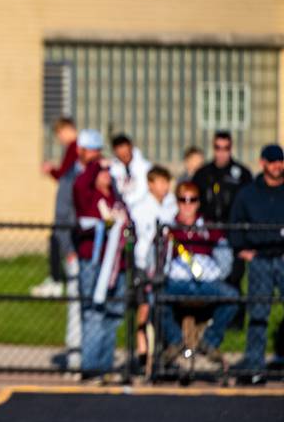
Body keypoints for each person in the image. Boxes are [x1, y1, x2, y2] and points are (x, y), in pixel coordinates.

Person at [160, 182, 237, 366]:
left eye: (192, 200)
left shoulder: (209, 228)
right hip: (177, 283)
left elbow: (224, 254)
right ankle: (175, 341)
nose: (188, 205)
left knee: (233, 297)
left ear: (198, 203)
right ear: (177, 202)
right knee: (154, 297)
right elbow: (159, 259)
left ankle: (209, 342)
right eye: (183, 200)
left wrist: (219, 272)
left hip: (206, 283)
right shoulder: (168, 228)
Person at [73, 129, 127, 380]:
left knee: (113, 315)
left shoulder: (115, 199)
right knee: (94, 313)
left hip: (117, 265)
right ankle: (90, 367)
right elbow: (81, 184)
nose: (106, 174)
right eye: (103, 172)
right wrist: (96, 165)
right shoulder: (88, 194)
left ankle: (105, 365)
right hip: (93, 262)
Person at [230, 144, 284, 385]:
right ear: (263, 163)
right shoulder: (249, 193)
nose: (277, 166)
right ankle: (254, 363)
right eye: (272, 161)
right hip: (260, 258)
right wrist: (243, 250)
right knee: (259, 312)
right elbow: (235, 223)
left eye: (280, 161)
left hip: (282, 257)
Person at [192, 131, 252, 328]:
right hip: (209, 236)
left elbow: (247, 206)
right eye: (218, 148)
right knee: (209, 279)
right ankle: (208, 320)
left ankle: (235, 323)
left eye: (225, 148)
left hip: (233, 235)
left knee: (234, 278)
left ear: (231, 148)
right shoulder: (203, 174)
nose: (221, 153)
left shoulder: (241, 174)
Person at [130, 165, 177, 367]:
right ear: (150, 184)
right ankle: (143, 355)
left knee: (161, 311)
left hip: (163, 267)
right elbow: (142, 241)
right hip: (145, 266)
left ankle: (161, 355)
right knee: (144, 309)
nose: (165, 187)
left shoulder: (169, 207)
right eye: (160, 182)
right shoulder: (141, 208)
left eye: (167, 182)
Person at [34, 116, 78, 298]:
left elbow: (63, 175)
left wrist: (51, 170)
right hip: (68, 206)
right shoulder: (73, 149)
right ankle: (57, 278)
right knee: (56, 238)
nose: (60, 138)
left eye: (60, 133)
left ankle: (58, 280)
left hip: (68, 209)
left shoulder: (75, 148)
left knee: (61, 239)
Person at [109, 133, 151, 212]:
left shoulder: (145, 167)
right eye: (121, 155)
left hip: (142, 208)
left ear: (131, 147)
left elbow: (143, 191)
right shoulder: (112, 168)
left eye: (126, 154)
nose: (124, 157)